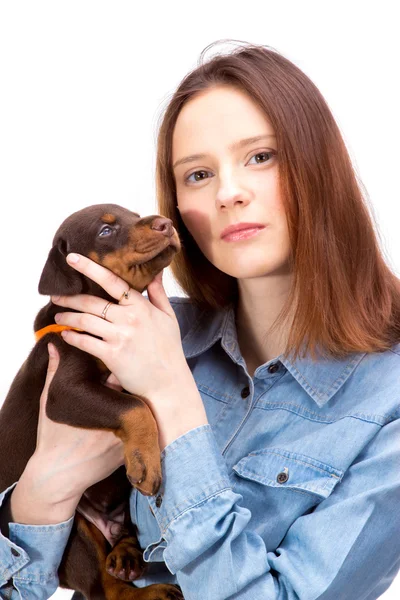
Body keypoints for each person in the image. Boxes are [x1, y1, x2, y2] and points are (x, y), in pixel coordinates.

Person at [1, 40, 400, 600]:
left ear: (320, 167)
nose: (229, 194)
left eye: (260, 157)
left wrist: (173, 398)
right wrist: (43, 493)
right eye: (197, 174)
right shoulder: (130, 333)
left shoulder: (389, 401)